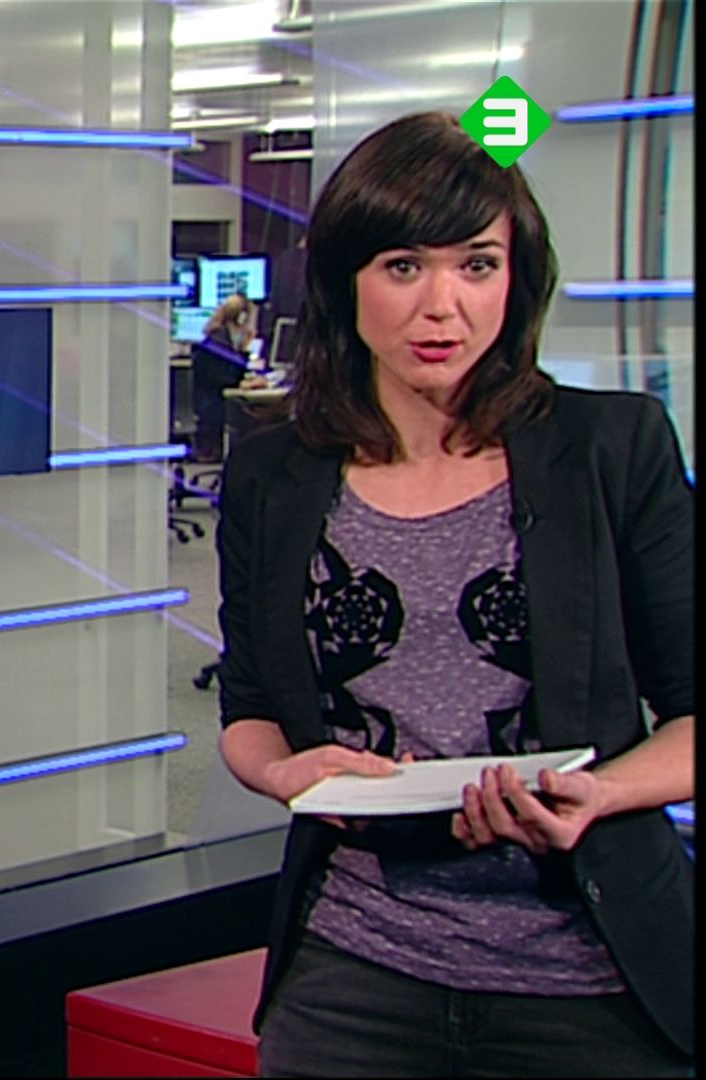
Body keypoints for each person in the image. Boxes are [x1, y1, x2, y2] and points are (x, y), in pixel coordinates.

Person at [214, 111, 694, 1077]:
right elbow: (250, 709)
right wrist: (285, 775)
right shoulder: (274, 474)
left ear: (517, 280)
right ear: (345, 281)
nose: (443, 307)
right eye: (403, 266)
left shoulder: (613, 448)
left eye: (477, 265)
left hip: (587, 983)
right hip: (353, 976)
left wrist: (600, 794)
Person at [192, 293, 257, 462]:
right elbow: (227, 378)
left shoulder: (219, 337)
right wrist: (245, 349)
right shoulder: (219, 341)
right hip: (214, 408)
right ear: (241, 317)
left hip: (212, 404)